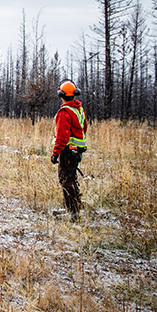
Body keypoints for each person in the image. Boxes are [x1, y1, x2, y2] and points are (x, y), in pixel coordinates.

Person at [51, 80, 88, 220]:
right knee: (72, 177)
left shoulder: (64, 112)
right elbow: (84, 129)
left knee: (66, 179)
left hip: (67, 150)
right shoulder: (79, 109)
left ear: (61, 94)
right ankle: (74, 207)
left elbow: (62, 136)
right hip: (77, 150)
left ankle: (73, 213)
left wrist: (55, 153)